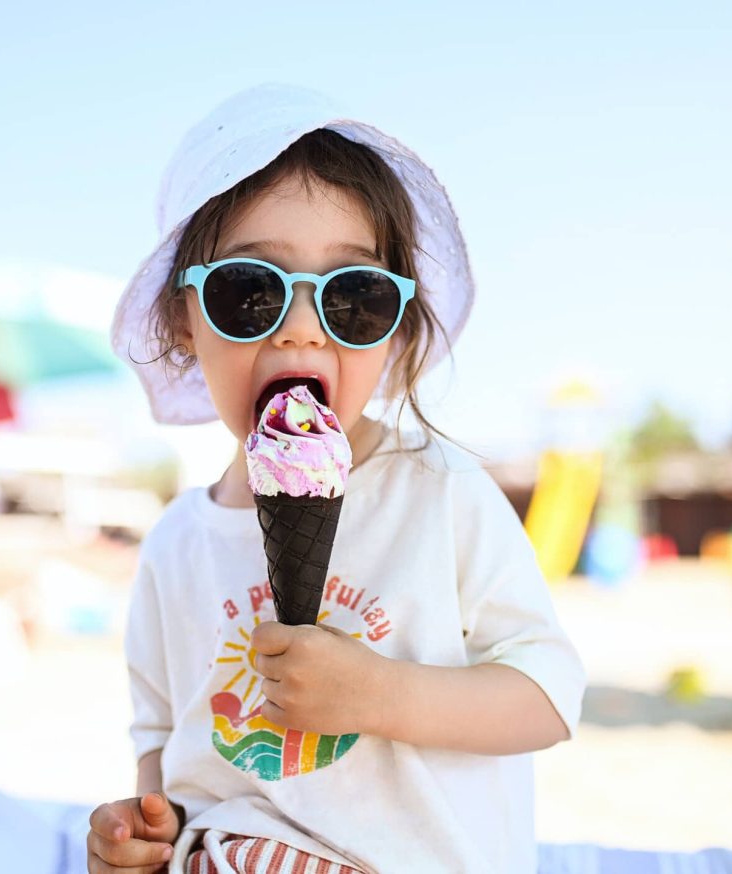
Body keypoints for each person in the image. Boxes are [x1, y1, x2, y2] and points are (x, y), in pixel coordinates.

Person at [88, 84, 586, 874]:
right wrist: (143, 830)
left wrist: (383, 697)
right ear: (184, 320)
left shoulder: (438, 492)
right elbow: (161, 747)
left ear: (393, 334)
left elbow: (549, 695)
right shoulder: (176, 546)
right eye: (249, 291)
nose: (299, 326)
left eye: (352, 298)